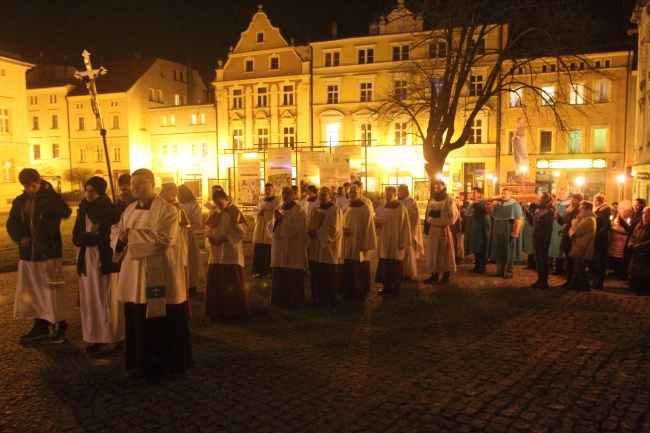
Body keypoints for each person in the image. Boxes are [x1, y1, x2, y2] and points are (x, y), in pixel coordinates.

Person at [110, 168, 193, 382]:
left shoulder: (166, 210)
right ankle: (141, 363)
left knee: (161, 322)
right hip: (133, 274)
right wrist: (120, 238)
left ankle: (166, 365)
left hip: (159, 275)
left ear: (152, 184)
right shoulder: (128, 209)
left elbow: (164, 240)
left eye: (140, 183)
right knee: (138, 319)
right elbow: (116, 231)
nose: (134, 187)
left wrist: (131, 236)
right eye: (133, 183)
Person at [7, 168, 72, 343]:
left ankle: (60, 325)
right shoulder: (20, 201)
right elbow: (12, 222)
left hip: (48, 251)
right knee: (33, 290)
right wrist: (21, 237)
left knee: (53, 289)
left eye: (33, 186)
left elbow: (65, 212)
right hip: (29, 254)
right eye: (26, 187)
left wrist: (50, 196)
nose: (30, 189)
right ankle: (40, 324)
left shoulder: (50, 197)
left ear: (39, 181)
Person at [73, 176, 124, 354]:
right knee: (91, 300)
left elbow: (110, 236)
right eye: (86, 190)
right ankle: (97, 337)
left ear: (101, 192)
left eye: (92, 191)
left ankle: (117, 337)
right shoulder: (82, 210)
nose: (88, 194)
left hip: (106, 260)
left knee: (108, 298)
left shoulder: (110, 210)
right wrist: (89, 238)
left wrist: (90, 238)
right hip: (87, 260)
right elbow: (76, 237)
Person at [204, 189, 249, 318]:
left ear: (225, 199)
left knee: (231, 280)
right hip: (217, 252)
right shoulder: (215, 213)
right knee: (217, 280)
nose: (218, 204)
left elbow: (240, 231)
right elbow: (209, 229)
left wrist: (224, 239)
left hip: (230, 251)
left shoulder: (234, 211)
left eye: (220, 201)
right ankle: (217, 309)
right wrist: (211, 238)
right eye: (215, 202)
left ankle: (234, 310)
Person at [269, 187, 308, 309]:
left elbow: (297, 228)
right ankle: (278, 299)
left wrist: (282, 220)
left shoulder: (298, 209)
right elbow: (272, 226)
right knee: (279, 272)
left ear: (292, 195)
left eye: (287, 193)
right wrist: (275, 222)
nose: (285, 195)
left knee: (292, 274)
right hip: (279, 246)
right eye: (283, 193)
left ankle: (293, 300)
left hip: (293, 248)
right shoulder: (278, 208)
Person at [307, 187, 343, 307]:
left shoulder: (335, 210)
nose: (321, 197)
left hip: (328, 247)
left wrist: (317, 233)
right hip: (317, 246)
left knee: (328, 273)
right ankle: (318, 296)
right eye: (320, 195)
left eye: (324, 195)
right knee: (317, 272)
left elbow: (334, 230)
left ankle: (328, 298)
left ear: (330, 196)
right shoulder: (316, 209)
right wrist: (310, 231)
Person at [340, 184, 377, 301]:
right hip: (347, 243)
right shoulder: (346, 207)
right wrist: (342, 229)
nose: (351, 194)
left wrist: (366, 245)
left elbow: (369, 227)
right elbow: (341, 222)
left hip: (360, 244)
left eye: (354, 192)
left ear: (360, 193)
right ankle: (350, 291)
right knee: (349, 267)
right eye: (350, 192)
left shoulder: (364, 208)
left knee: (359, 268)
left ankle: (361, 292)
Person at [374, 186, 411, 295]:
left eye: (390, 195)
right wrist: (376, 223)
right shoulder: (381, 208)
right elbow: (375, 223)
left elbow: (405, 226)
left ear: (395, 196)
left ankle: (396, 286)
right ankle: (386, 286)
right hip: (384, 241)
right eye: (386, 195)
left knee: (395, 265)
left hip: (395, 241)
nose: (388, 197)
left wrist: (403, 242)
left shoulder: (400, 208)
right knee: (385, 264)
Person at [423, 180, 459, 285]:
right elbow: (429, 213)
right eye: (436, 187)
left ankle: (446, 275)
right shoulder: (433, 199)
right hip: (434, 228)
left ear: (444, 187)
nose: (437, 189)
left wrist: (440, 214)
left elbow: (453, 215)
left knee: (444, 252)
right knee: (434, 252)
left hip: (443, 229)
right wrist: (431, 216)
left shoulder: (448, 199)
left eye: (439, 187)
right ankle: (434, 274)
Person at [488, 188, 524, 279]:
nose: (503, 195)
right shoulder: (498, 204)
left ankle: (509, 271)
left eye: (506, 194)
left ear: (510, 195)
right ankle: (499, 270)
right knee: (499, 250)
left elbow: (518, 219)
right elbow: (490, 212)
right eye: (502, 193)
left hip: (508, 232)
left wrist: (514, 233)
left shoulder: (515, 205)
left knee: (509, 251)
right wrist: (491, 204)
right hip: (498, 231)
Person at [178, 184, 207, 294]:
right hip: (178, 235)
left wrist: (184, 224)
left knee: (190, 259)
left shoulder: (192, 204)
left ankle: (191, 283)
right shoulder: (177, 204)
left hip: (188, 234)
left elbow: (197, 221)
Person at [522, 193, 555, 289]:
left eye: (540, 197)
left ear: (545, 200)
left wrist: (546, 241)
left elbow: (549, 228)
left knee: (543, 261)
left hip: (542, 238)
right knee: (538, 260)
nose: (537, 198)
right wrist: (527, 212)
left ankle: (544, 281)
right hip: (535, 237)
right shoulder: (538, 209)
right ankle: (539, 279)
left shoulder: (549, 211)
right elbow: (532, 223)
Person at [251, 183, 280, 279]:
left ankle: (270, 270)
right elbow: (255, 212)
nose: (267, 191)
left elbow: (276, 214)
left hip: (269, 228)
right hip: (260, 229)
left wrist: (266, 213)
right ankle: (261, 271)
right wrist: (258, 213)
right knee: (260, 250)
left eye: (269, 189)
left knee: (269, 250)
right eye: (266, 189)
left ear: (273, 190)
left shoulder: (277, 201)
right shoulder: (261, 201)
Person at [568, 201, 596, 292]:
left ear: (588, 210)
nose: (579, 210)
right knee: (577, 267)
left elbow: (575, 231)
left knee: (579, 268)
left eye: (582, 208)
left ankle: (583, 286)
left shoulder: (588, 220)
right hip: (579, 245)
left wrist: (576, 221)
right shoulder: (585, 219)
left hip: (583, 247)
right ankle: (578, 284)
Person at [397, 184, 423, 280]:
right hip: (398, 231)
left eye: (401, 191)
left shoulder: (411, 202)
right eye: (398, 191)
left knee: (408, 251)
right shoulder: (396, 202)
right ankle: (399, 271)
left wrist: (410, 228)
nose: (399, 193)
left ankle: (408, 272)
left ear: (406, 191)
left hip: (408, 230)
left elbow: (415, 217)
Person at [556, 193, 582, 287]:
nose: (571, 201)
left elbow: (577, 223)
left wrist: (569, 225)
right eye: (571, 199)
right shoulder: (568, 209)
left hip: (572, 237)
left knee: (572, 259)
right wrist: (558, 217)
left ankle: (574, 280)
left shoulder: (579, 210)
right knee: (567, 258)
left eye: (574, 199)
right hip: (566, 235)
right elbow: (563, 222)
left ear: (578, 201)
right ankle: (568, 279)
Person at [464, 187, 491, 274]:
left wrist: (476, 204)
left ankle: (482, 267)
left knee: (481, 248)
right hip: (473, 229)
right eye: (472, 192)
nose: (473, 194)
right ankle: (477, 265)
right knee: (475, 247)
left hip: (481, 229)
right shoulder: (471, 203)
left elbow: (483, 212)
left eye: (475, 193)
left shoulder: (484, 202)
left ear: (479, 194)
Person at [627, 206, 650, 296]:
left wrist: (639, 246)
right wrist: (631, 243)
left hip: (646, 253)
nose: (644, 216)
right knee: (635, 271)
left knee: (644, 272)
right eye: (644, 213)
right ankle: (635, 286)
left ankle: (644, 289)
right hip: (636, 252)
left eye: (647, 214)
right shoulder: (639, 224)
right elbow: (633, 235)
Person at [591, 194, 612, 290]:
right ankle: (595, 280)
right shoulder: (597, 210)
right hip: (596, 237)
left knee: (601, 260)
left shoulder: (605, 210)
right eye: (594, 200)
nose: (595, 202)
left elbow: (606, 225)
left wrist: (597, 234)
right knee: (596, 260)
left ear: (602, 201)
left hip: (602, 238)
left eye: (597, 201)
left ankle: (600, 281)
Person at [608, 200, 632, 280]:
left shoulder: (627, 217)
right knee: (615, 258)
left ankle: (620, 273)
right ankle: (615, 271)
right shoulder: (619, 216)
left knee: (619, 258)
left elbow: (626, 230)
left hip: (621, 240)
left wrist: (614, 227)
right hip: (616, 240)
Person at [549, 188, 570, 275]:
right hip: (554, 228)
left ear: (567, 194)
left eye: (563, 193)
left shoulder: (569, 204)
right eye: (559, 193)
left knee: (561, 248)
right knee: (554, 247)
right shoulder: (555, 204)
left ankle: (562, 268)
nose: (561, 195)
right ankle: (555, 266)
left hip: (562, 228)